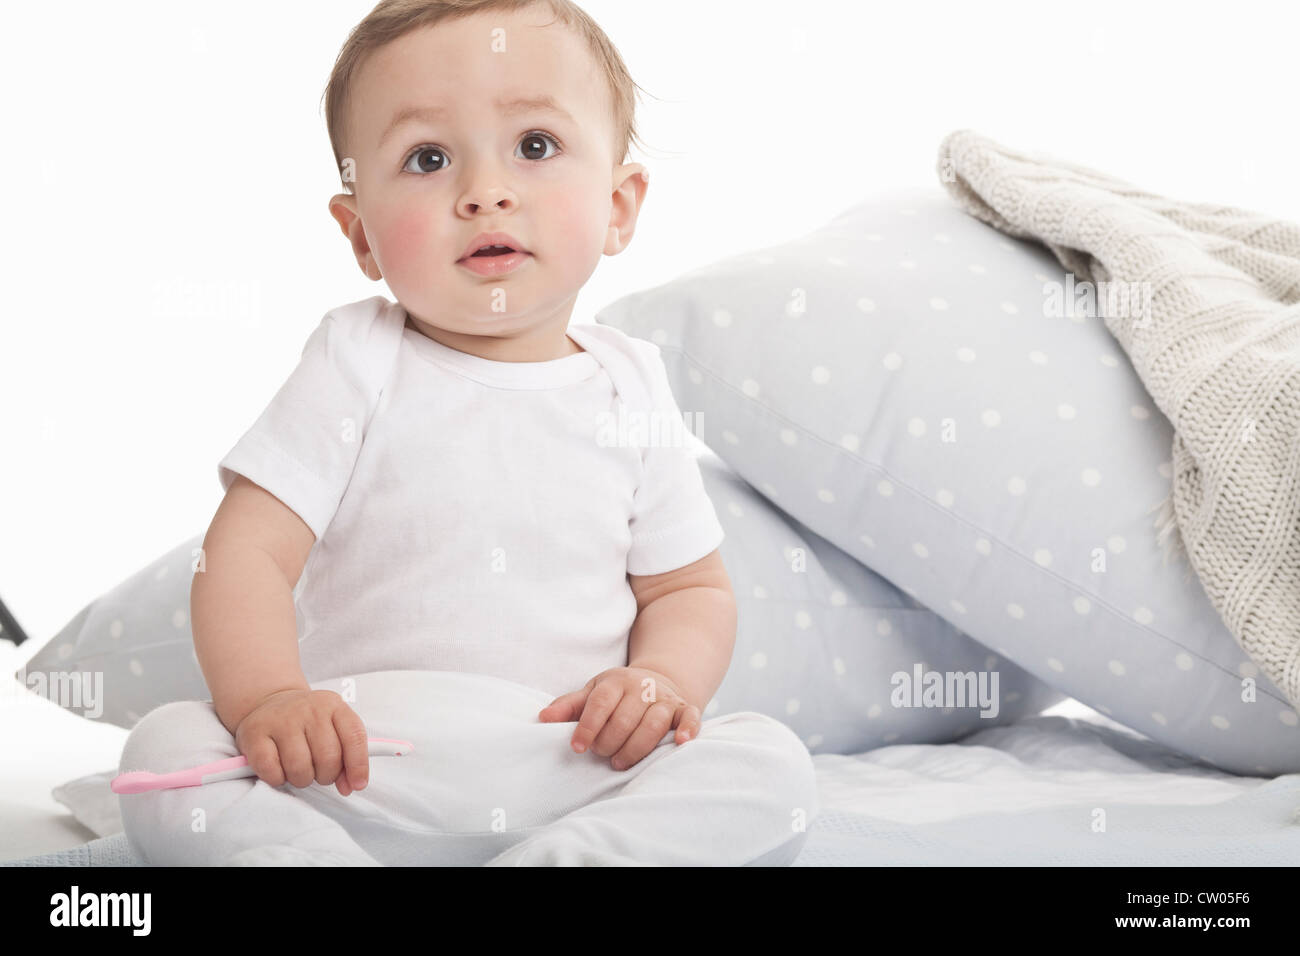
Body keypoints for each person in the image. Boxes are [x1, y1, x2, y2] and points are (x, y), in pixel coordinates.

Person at [117, 0, 819, 867]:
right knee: (168, 747)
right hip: (357, 768)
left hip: (567, 769)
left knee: (767, 765)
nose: (485, 190)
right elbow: (243, 556)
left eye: (534, 145)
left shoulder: (629, 384)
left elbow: (688, 591)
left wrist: (658, 685)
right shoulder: (357, 358)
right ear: (360, 234)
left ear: (618, 206)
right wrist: (270, 701)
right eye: (427, 158)